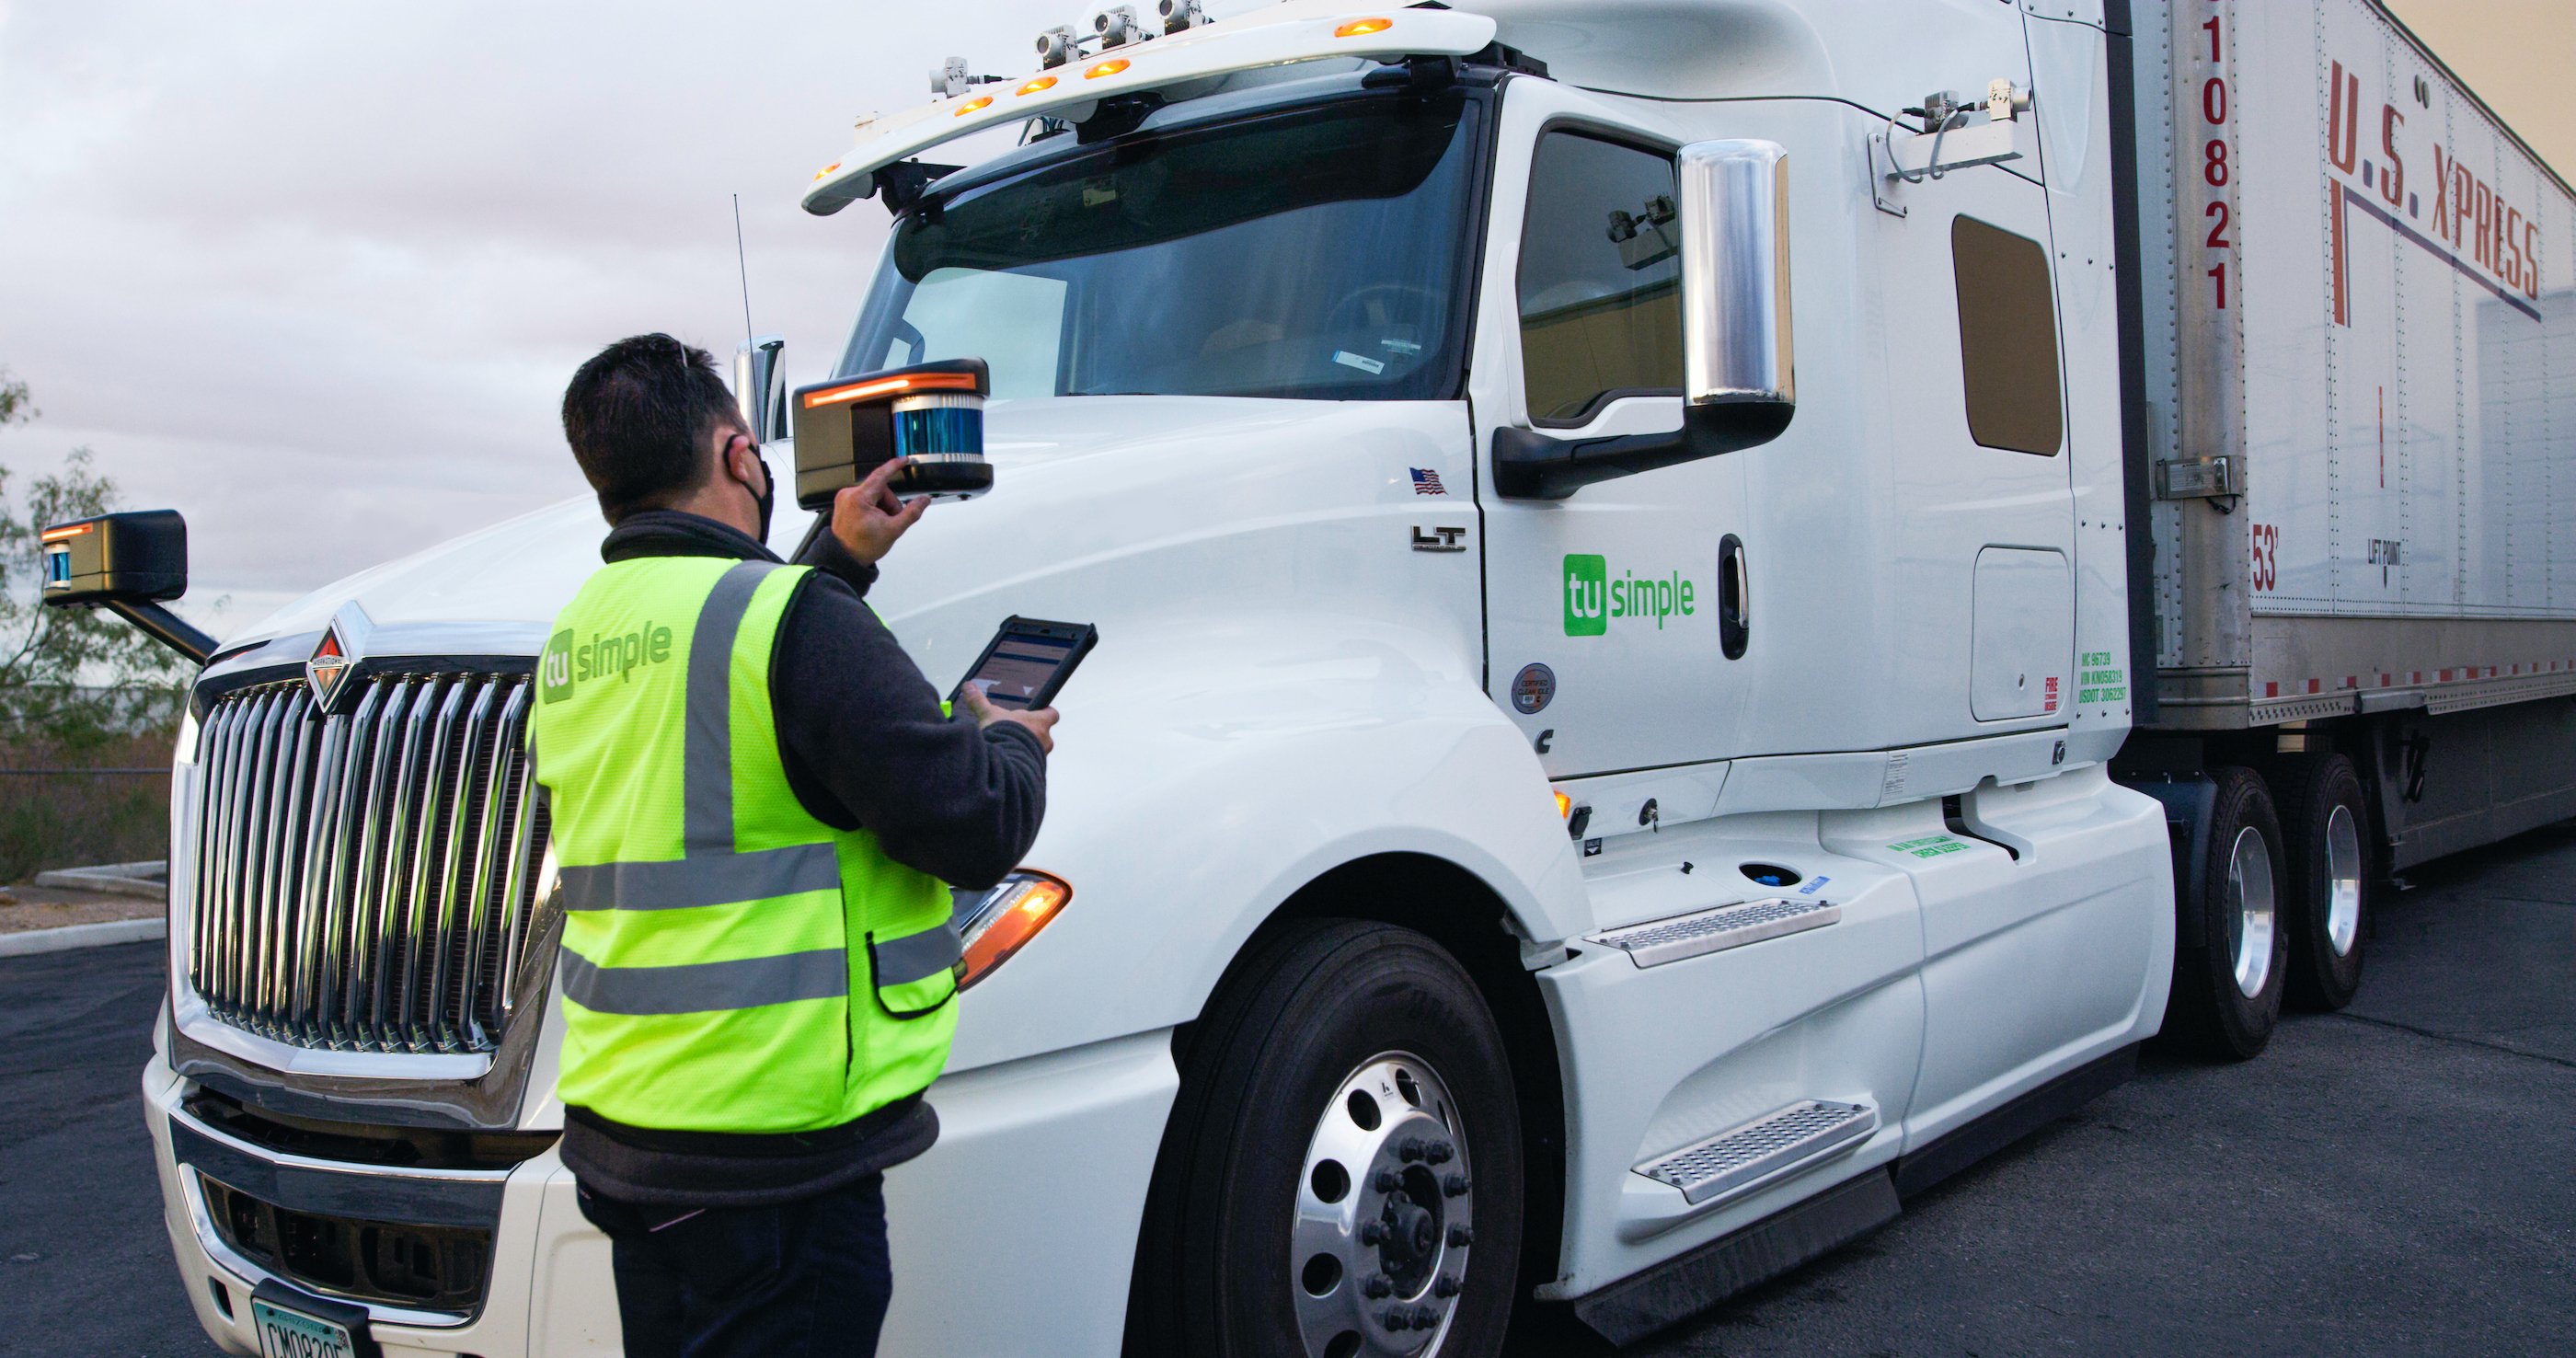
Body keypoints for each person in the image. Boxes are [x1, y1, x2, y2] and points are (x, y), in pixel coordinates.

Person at [531, 333, 1053, 1357]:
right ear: (737, 456)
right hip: (770, 1163)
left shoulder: (577, 637)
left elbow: (728, 740)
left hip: (631, 1143)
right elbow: (975, 823)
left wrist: (838, 558)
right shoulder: (793, 623)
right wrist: (1009, 741)